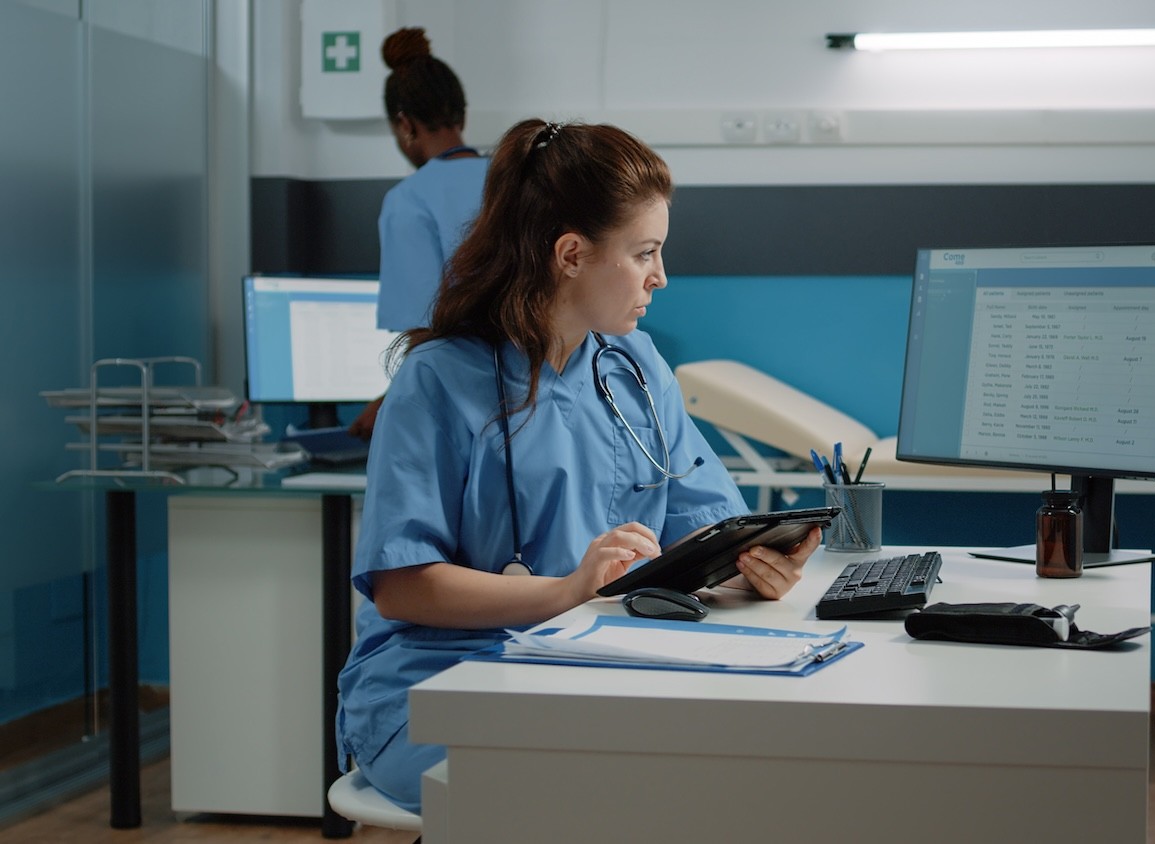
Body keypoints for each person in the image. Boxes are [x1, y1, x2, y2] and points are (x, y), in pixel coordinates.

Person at [335, 118, 822, 812]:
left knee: (730, 768)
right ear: (570, 253)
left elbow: (702, 527)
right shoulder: (437, 380)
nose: (661, 275)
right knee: (604, 791)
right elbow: (403, 588)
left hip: (596, 663)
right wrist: (568, 589)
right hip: (443, 682)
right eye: (645, 251)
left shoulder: (636, 365)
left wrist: (753, 565)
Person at [348, 26, 487, 440]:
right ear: (461, 114)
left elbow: (426, 333)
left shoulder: (409, 200)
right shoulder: (519, 179)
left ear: (404, 125)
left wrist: (386, 403)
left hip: (461, 409)